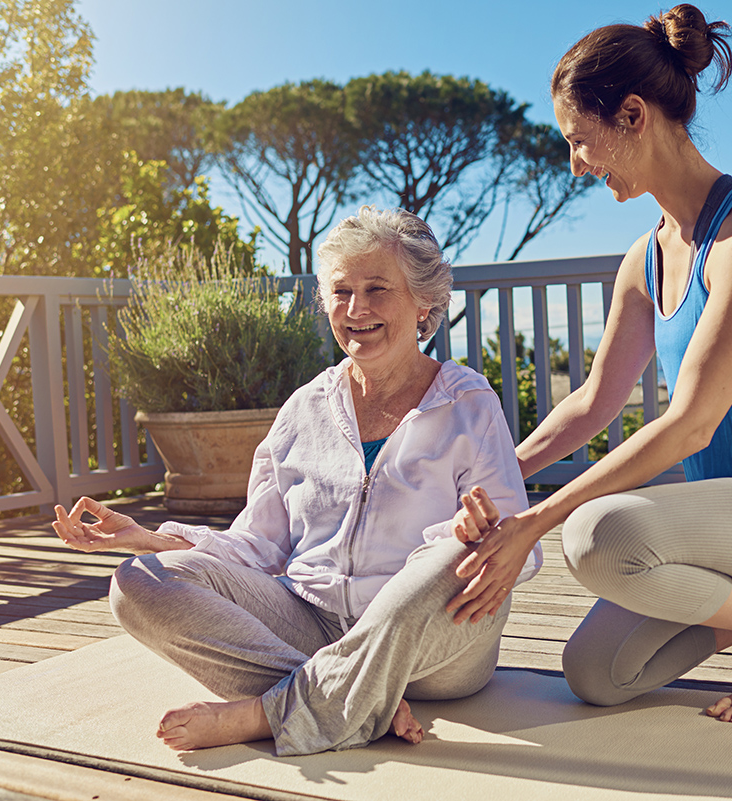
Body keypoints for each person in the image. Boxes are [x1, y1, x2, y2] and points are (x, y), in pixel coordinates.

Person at [444, 4, 732, 726]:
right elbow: (593, 403)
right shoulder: (644, 260)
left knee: (594, 534)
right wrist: (495, 475)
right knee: (599, 674)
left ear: (633, 114)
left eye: (580, 141)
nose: (575, 163)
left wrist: (536, 518)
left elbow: (691, 425)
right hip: (731, 521)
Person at [51, 207, 541, 756]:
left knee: (451, 554)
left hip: (434, 646)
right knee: (139, 582)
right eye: (341, 291)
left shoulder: (469, 403)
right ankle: (351, 700)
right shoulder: (305, 408)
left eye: (378, 289)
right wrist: (150, 540)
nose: (357, 309)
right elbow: (257, 544)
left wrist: (478, 535)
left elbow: (523, 549)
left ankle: (270, 711)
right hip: (310, 620)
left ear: (423, 302)